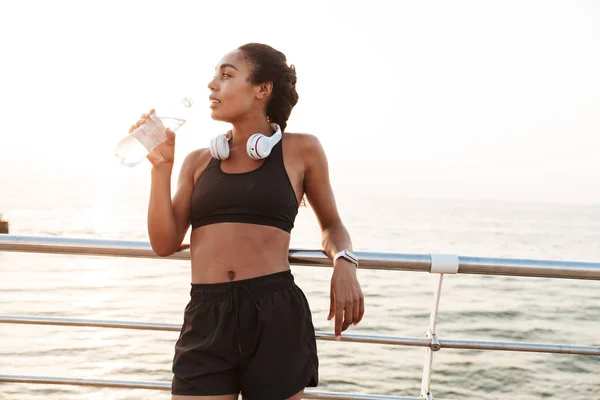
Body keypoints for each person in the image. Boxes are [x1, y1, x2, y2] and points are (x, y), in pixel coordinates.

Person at [130, 43, 365, 400]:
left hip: (275, 313)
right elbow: (163, 243)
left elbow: (332, 225)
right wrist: (161, 168)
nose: (212, 85)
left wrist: (344, 262)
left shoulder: (302, 150)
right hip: (206, 315)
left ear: (262, 89)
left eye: (226, 75)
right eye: (215, 76)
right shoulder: (196, 162)